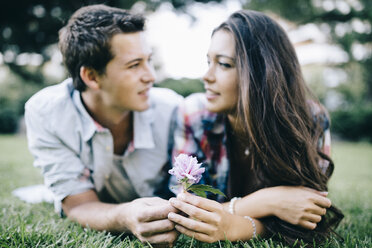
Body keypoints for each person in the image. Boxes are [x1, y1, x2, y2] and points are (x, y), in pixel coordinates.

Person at [167, 9, 343, 246]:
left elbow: (307, 214)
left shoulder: (309, 119)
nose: (206, 76)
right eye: (208, 62)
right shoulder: (194, 114)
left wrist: (231, 222)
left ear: (262, 72)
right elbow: (186, 209)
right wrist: (269, 202)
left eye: (224, 64)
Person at [25, 5, 182, 246]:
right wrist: (125, 216)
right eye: (134, 65)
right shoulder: (46, 113)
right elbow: (79, 205)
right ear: (92, 76)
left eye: (148, 61)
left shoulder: (173, 110)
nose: (151, 76)